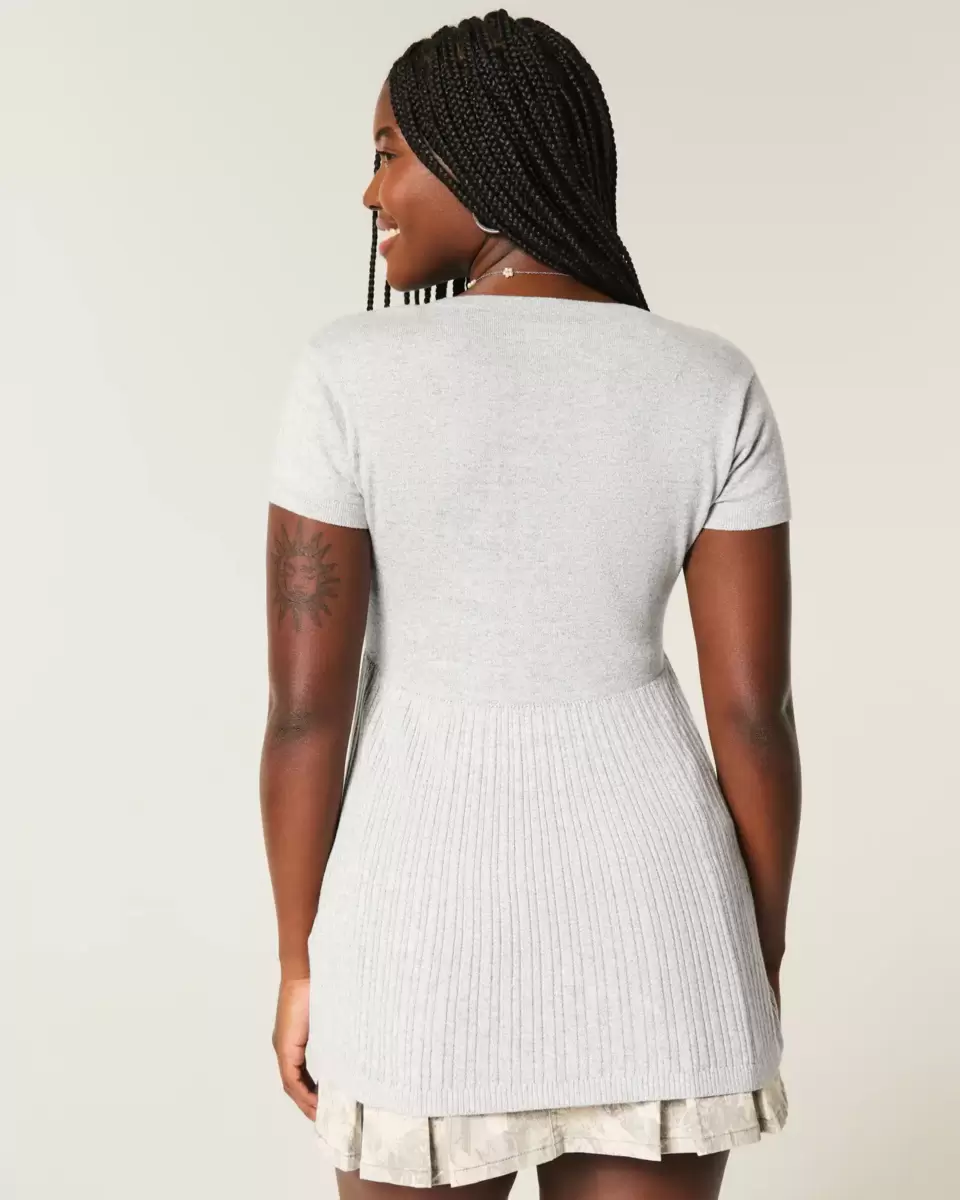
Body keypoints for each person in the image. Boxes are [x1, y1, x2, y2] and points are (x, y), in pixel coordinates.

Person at [260, 10, 801, 1200]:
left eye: (389, 153)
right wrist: (753, 947)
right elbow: (753, 718)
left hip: (415, 923)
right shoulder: (709, 380)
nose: (370, 192)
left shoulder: (348, 374)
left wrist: (301, 961)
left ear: (473, 157)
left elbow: (305, 716)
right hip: (662, 925)